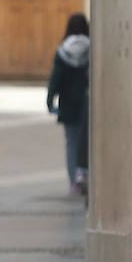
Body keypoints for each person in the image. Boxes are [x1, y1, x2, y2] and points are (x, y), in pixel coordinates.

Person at [47, 13, 91, 196]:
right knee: (88, 141)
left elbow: (56, 78)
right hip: (88, 102)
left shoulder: (62, 52)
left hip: (68, 104)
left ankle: (74, 181)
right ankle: (87, 176)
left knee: (71, 142)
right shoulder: (93, 49)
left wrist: (50, 100)